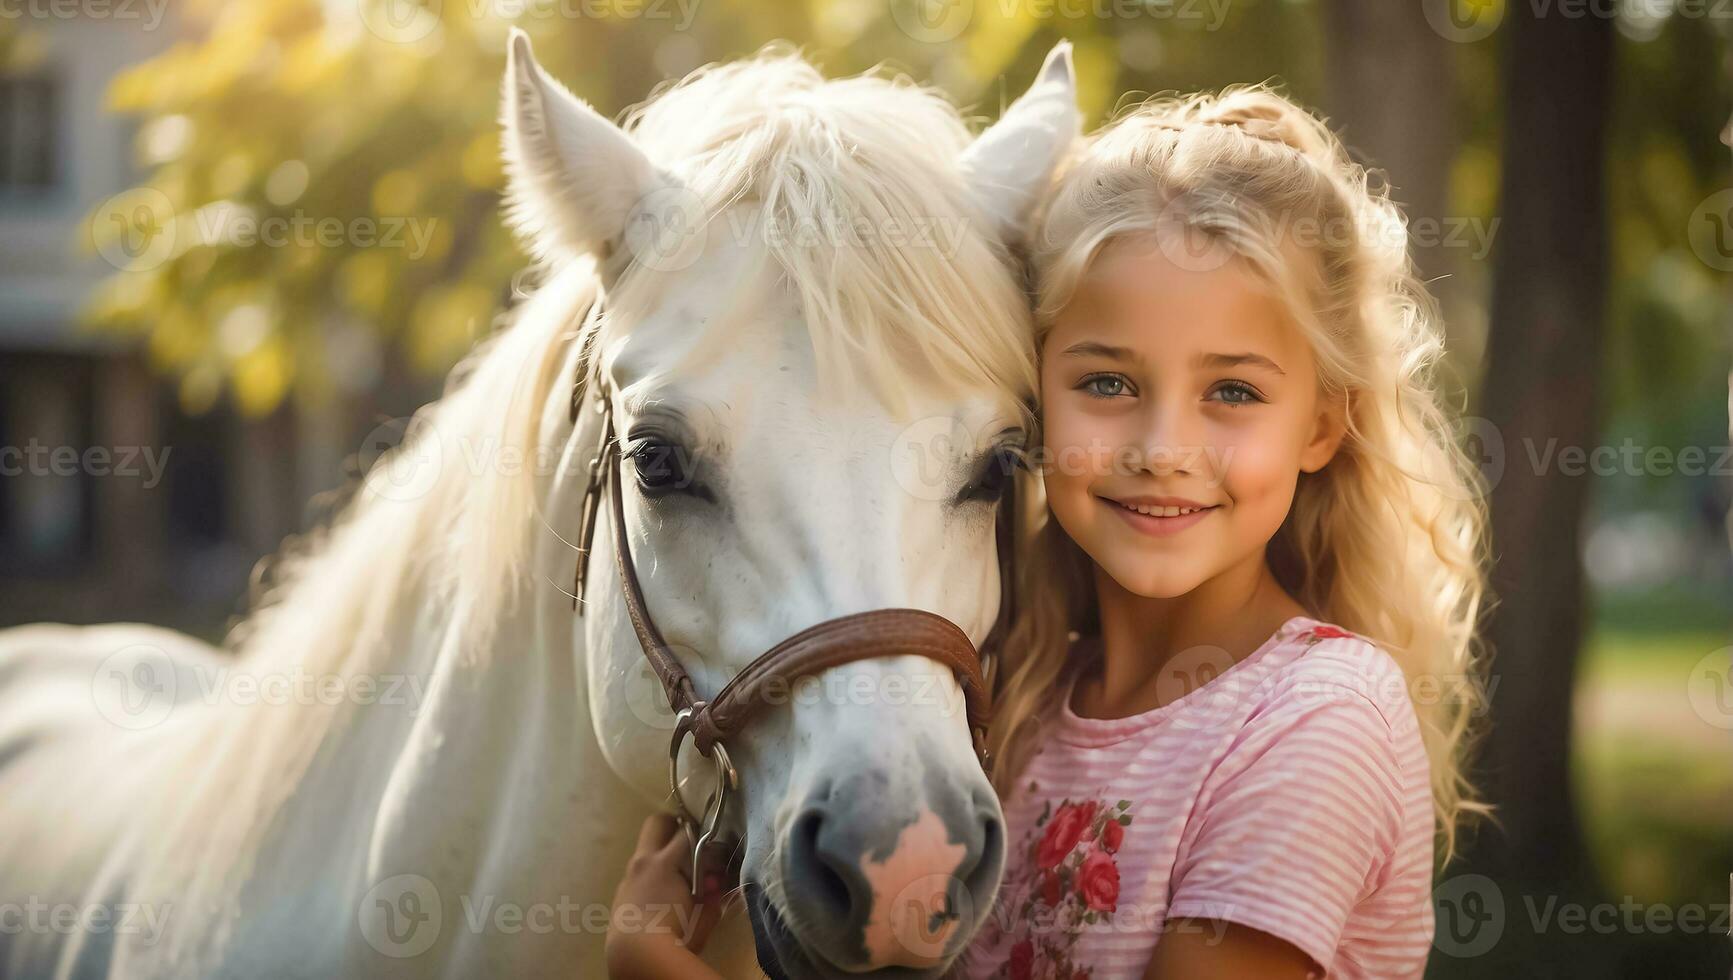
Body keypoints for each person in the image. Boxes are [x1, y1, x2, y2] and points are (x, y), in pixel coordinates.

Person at [605, 83, 1490, 980]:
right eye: (1107, 383)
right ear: (1032, 395)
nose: (1161, 451)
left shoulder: (1315, 722)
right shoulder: (1021, 702)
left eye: (1232, 391)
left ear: (1319, 426)